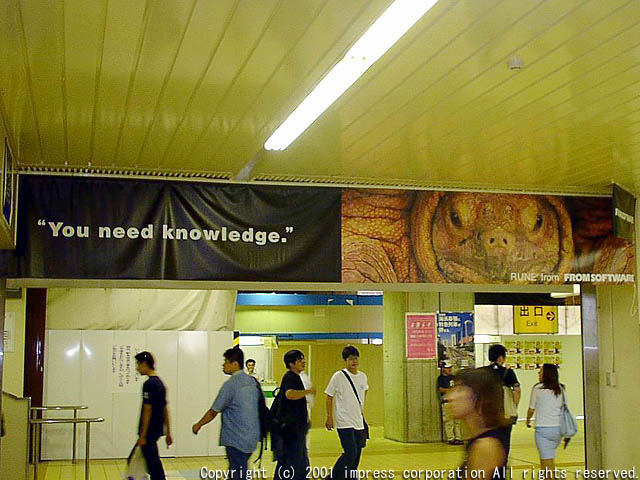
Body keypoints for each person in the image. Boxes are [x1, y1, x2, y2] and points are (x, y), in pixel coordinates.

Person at [192, 347, 261, 480]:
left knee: (238, 472)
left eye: (226, 362)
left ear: (234, 364)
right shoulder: (252, 382)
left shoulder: (231, 385)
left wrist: (198, 424)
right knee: (238, 469)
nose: (223, 365)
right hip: (251, 437)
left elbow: (214, 411)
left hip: (236, 438)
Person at [445, 368, 507, 480]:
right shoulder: (476, 440)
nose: (449, 397)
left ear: (479, 397)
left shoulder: (486, 446)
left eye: (459, 389)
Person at [325, 346, 369, 480]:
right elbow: (329, 396)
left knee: (358, 453)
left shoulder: (362, 376)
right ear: (345, 361)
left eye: (356, 358)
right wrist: (329, 417)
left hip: (358, 421)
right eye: (350, 359)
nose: (354, 361)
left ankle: (351, 476)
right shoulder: (339, 376)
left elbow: (364, 391)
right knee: (350, 452)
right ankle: (333, 477)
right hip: (344, 421)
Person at [274, 350, 316, 480]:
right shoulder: (290, 377)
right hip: (292, 429)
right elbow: (290, 394)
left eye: (303, 359)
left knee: (295, 459)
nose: (303, 362)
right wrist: (307, 391)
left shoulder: (296, 377)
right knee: (292, 459)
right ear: (291, 364)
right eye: (299, 360)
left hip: (296, 428)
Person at [135, 351, 172, 480]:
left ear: (145, 364)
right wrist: (168, 432)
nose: (137, 368)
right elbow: (165, 409)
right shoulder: (160, 384)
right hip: (157, 429)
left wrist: (143, 435)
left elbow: (147, 410)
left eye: (138, 364)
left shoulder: (149, 384)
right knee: (153, 463)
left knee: (153, 465)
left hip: (149, 432)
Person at [480, 344, 521, 458]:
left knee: (487, 442)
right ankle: (501, 467)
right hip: (504, 416)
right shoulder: (508, 373)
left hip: (486, 416)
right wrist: (513, 406)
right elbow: (517, 391)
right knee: (503, 443)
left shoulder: (481, 373)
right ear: (500, 358)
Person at [526, 364, 566, 474]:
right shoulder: (561, 388)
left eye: (541, 371)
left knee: (545, 464)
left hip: (543, 429)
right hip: (558, 429)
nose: (538, 373)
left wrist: (528, 419)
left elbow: (531, 408)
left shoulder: (537, 388)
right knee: (550, 459)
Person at [438, 362, 463, 445]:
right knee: (449, 422)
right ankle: (451, 438)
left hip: (456, 402)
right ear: (443, 369)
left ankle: (458, 438)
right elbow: (441, 389)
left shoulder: (454, 377)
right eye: (447, 368)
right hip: (447, 402)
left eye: (450, 368)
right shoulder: (441, 378)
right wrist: (451, 390)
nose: (449, 369)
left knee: (457, 422)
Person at [300, 367, 314, 450]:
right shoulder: (294, 377)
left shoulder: (304, 376)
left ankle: (304, 448)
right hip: (300, 406)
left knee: (305, 430)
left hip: (306, 405)